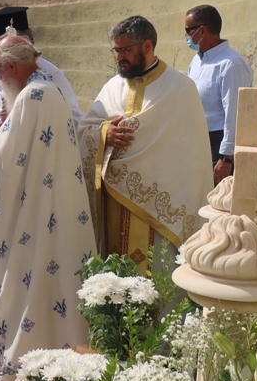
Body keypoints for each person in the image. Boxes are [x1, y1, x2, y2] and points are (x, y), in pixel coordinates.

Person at [0, 37, 92, 381]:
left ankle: (24, 365)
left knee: (35, 287)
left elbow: (5, 159)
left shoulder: (31, 96)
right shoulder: (51, 91)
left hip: (40, 217)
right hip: (58, 212)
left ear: (11, 68)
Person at [78, 16, 213, 269]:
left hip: (160, 206)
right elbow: (85, 128)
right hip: (114, 202)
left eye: (125, 49)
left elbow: (193, 156)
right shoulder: (112, 87)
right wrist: (104, 134)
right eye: (116, 50)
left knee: (155, 274)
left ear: (147, 46)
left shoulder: (181, 88)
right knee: (115, 272)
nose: (119, 57)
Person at [185, 5, 254, 184]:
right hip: (197, 141)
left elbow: (234, 113)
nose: (186, 36)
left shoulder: (231, 64)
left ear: (202, 30)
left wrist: (226, 158)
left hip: (218, 144)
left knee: (219, 203)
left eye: (188, 30)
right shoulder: (196, 61)